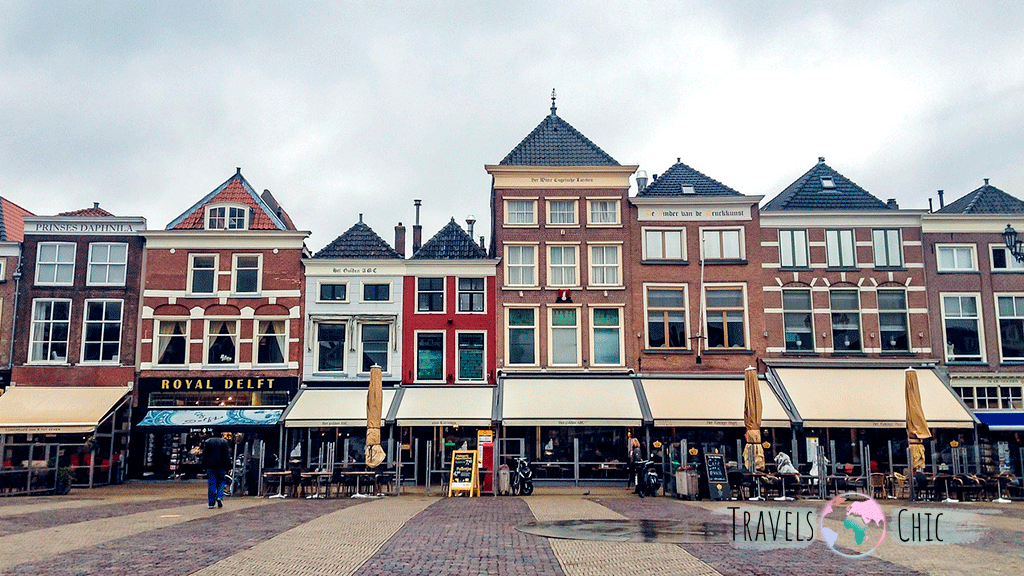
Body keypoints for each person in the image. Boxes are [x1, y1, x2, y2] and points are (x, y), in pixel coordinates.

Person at [202, 434, 232, 509]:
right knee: (221, 481)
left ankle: (211, 503)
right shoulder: (224, 442)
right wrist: (229, 466)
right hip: (222, 466)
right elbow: (227, 455)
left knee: (211, 484)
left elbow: (204, 455)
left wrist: (203, 466)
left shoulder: (207, 442)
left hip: (210, 466)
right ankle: (219, 496)